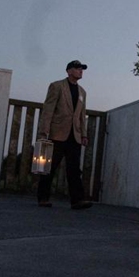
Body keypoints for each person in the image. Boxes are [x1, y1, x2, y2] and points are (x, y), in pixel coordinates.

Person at [36, 60, 92, 210]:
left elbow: (82, 114)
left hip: (75, 135)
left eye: (82, 69)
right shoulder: (57, 86)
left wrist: (84, 134)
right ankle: (43, 197)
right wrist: (44, 131)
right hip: (57, 134)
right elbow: (48, 109)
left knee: (74, 169)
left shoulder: (82, 92)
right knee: (50, 167)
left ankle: (77, 200)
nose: (81, 71)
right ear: (69, 71)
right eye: (77, 68)